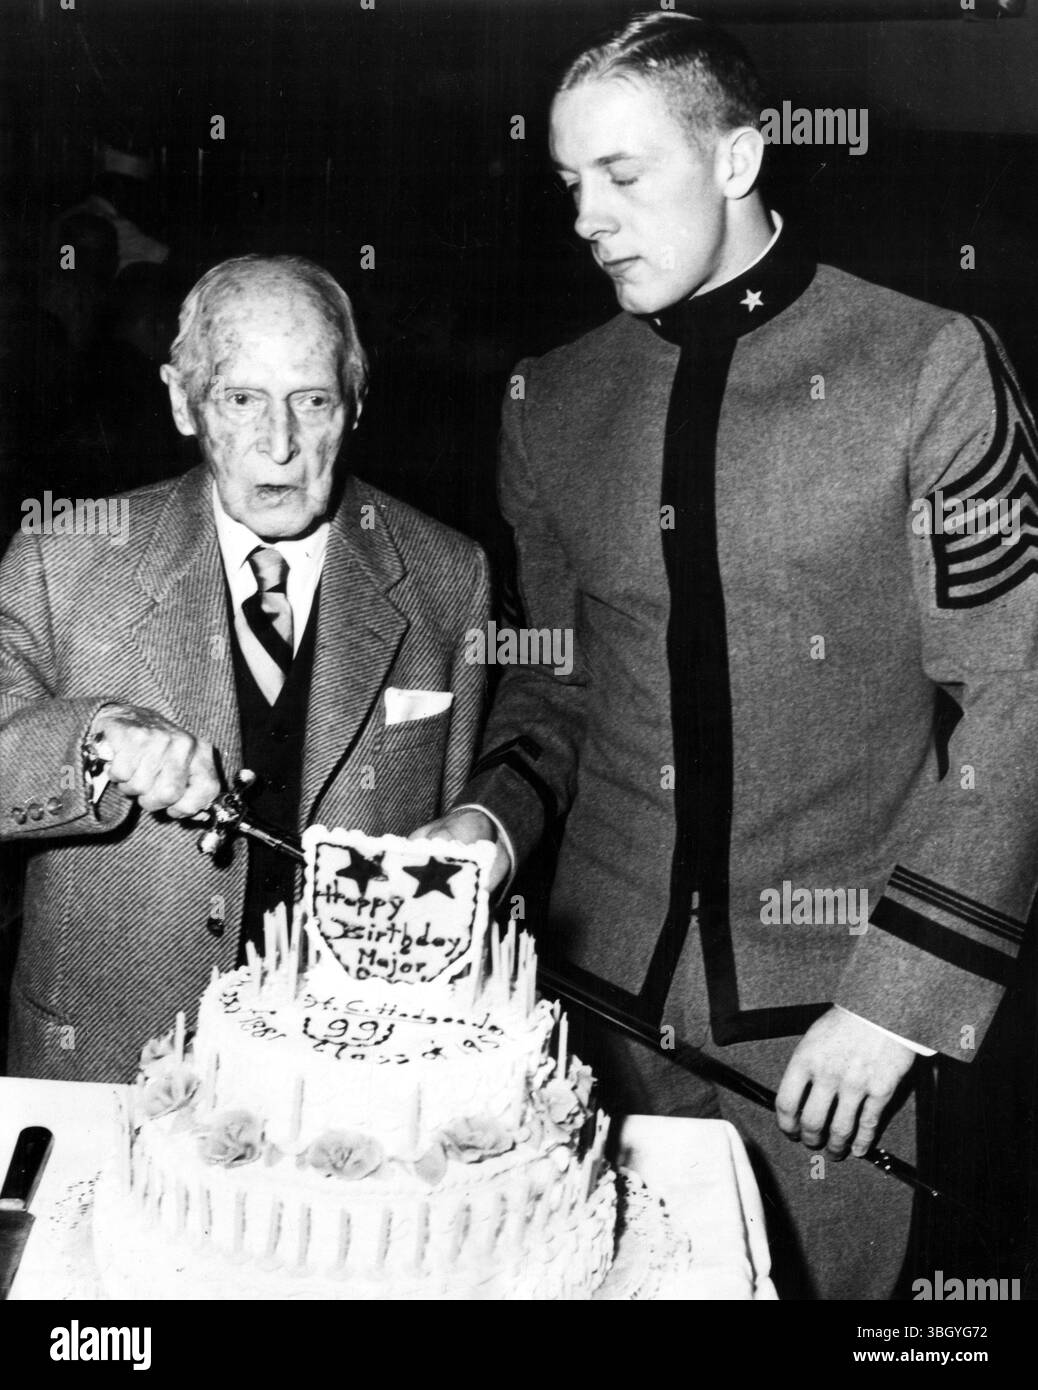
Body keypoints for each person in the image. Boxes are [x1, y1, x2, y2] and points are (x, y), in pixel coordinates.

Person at [415, 13, 1038, 1298]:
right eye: (571, 183)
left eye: (625, 175)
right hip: (588, 1029)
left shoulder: (928, 365)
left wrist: (897, 1000)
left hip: (825, 1045)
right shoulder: (551, 396)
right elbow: (558, 686)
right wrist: (486, 826)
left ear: (742, 160)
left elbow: (1018, 695)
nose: (589, 216)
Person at [0, 254, 490, 1083]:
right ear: (181, 402)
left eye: (313, 400)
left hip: (345, 1082)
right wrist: (92, 741)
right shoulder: (65, 556)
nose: (281, 444)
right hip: (108, 1065)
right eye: (241, 399)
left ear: (357, 402)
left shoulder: (450, 577)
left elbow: (459, 835)